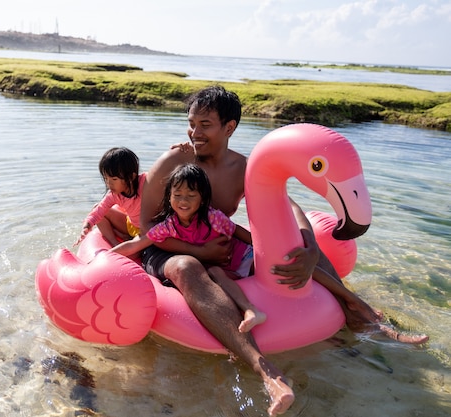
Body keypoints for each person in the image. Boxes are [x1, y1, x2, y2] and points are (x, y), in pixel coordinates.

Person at [140, 85, 428, 416]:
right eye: (191, 123)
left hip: (218, 241)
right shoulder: (175, 161)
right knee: (187, 267)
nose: (194, 132)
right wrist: (200, 252)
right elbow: (147, 225)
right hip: (169, 244)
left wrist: (309, 245)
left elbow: (288, 206)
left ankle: (365, 318)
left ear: (229, 127)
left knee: (295, 250)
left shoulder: (242, 168)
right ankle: (266, 371)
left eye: (205, 124)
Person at [111, 163, 266, 333]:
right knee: (214, 273)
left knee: (265, 270)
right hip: (225, 268)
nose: (183, 201)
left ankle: (256, 308)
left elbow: (236, 231)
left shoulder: (212, 217)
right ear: (169, 197)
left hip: (243, 257)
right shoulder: (170, 225)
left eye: (191, 195)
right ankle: (250, 310)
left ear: (202, 198)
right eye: (177, 194)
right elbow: (137, 244)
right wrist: (107, 256)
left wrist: (261, 248)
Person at [75, 147, 145, 248]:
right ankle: (115, 243)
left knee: (135, 250)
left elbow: (161, 174)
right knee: (97, 207)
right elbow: (98, 212)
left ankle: (121, 235)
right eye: (106, 178)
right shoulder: (114, 195)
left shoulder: (145, 182)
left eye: (114, 179)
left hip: (148, 229)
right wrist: (87, 226)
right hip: (132, 226)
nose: (109, 183)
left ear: (131, 177)